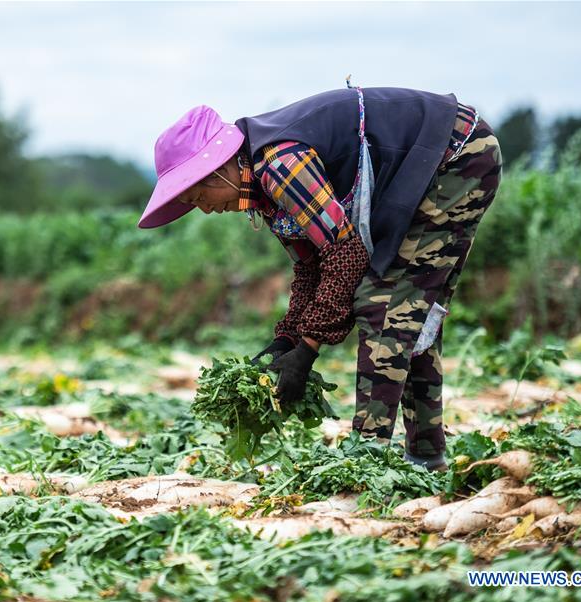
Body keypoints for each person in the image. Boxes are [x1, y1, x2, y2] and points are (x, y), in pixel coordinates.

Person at [138, 83, 502, 473]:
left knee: (386, 306)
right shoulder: (263, 192)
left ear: (216, 172)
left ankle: (367, 463)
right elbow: (311, 269)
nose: (206, 211)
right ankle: (427, 458)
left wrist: (307, 351)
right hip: (428, 167)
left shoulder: (280, 167)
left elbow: (345, 256)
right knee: (407, 313)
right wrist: (286, 340)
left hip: (457, 155)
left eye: (198, 199)